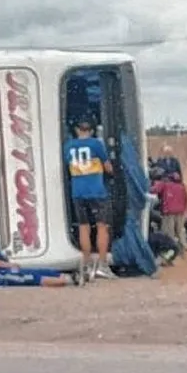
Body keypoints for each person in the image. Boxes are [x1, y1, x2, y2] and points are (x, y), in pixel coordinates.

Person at [0, 210, 81, 287]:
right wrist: (6, 265)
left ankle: (69, 276)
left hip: (5, 268)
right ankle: (68, 281)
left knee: (37, 271)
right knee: (30, 278)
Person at [64, 119, 116, 281]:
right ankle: (102, 265)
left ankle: (86, 264)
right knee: (102, 227)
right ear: (92, 131)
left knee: (83, 227)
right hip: (96, 192)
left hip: (78, 192)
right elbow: (108, 167)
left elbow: (68, 165)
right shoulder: (96, 145)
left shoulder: (68, 146)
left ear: (76, 130)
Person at [149, 172, 187, 259]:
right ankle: (182, 252)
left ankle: (170, 255)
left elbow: (153, 190)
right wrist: (186, 212)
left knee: (168, 234)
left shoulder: (164, 184)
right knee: (180, 232)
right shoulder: (183, 186)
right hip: (180, 212)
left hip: (169, 212)